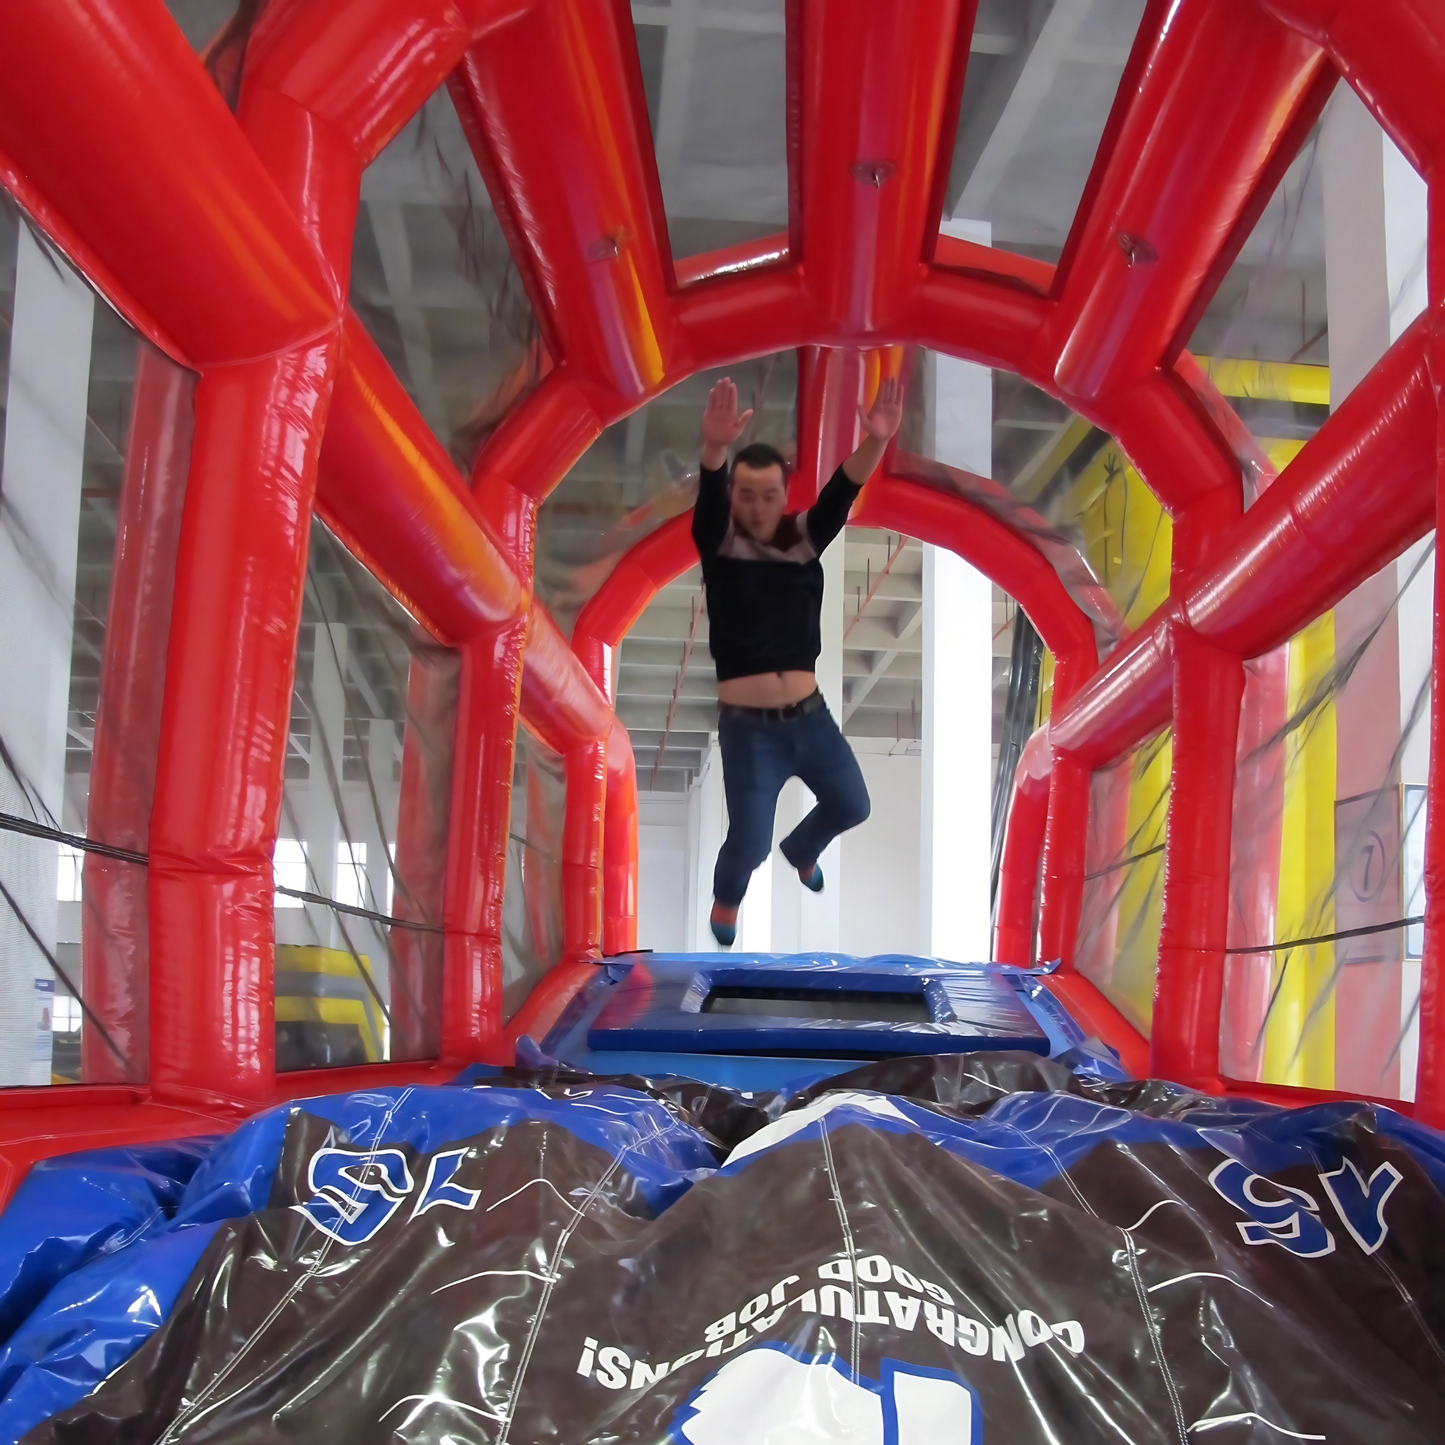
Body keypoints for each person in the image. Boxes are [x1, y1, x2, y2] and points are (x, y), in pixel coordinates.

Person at [693, 373, 905, 946]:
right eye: (746, 495)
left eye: (769, 495)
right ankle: (727, 895)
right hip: (748, 733)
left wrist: (878, 441)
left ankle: (805, 848)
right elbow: (710, 500)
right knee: (749, 842)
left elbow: (840, 492)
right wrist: (714, 449)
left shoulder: (801, 540)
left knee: (853, 803)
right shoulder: (720, 546)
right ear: (734, 500)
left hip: (809, 719)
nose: (758, 507)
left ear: (783, 497)